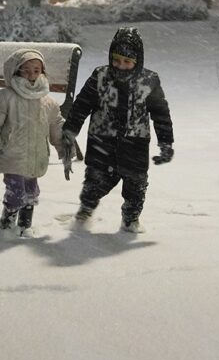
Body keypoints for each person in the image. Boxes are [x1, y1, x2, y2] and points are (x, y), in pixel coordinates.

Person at [62, 27, 174, 233]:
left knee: (136, 186)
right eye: (116, 60)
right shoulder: (100, 76)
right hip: (101, 142)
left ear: (137, 61)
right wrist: (70, 129)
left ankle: (131, 219)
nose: (121, 66)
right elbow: (81, 105)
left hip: (136, 145)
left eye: (127, 61)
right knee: (95, 181)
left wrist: (166, 142)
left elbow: (161, 114)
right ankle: (85, 212)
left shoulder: (148, 81)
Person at [0, 49, 66, 238]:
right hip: (12, 154)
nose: (31, 74)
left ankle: (24, 225)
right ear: (15, 71)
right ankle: (5, 226)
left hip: (36, 155)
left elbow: (56, 126)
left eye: (36, 70)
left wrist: (63, 148)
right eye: (26, 70)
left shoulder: (47, 101)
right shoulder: (5, 96)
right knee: (16, 192)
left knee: (31, 191)